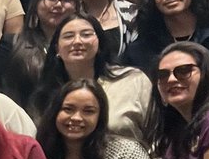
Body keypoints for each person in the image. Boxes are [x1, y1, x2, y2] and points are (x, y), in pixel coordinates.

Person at [32, 13, 153, 143]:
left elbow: (157, 135)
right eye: (68, 36)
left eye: (86, 35)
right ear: (57, 49)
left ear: (100, 43)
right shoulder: (45, 93)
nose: (77, 41)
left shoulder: (133, 80)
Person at [1, 0, 81, 107]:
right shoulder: (11, 43)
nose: (59, 4)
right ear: (36, 3)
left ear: (77, 6)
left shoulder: (85, 44)